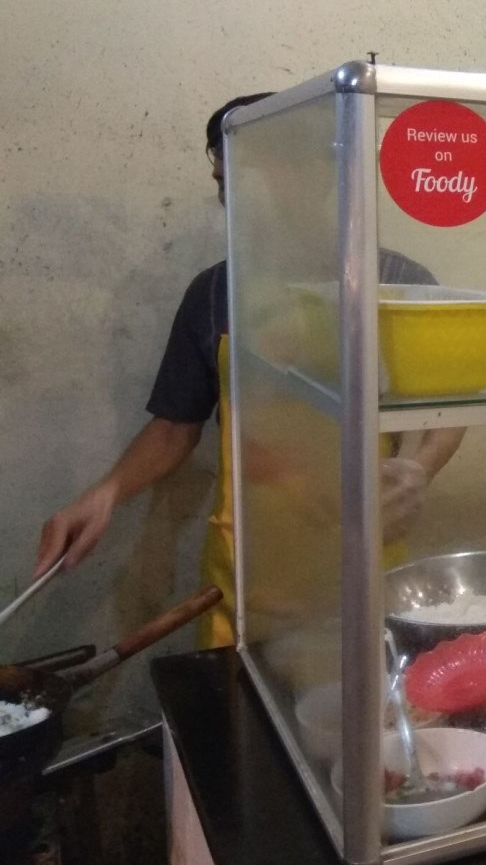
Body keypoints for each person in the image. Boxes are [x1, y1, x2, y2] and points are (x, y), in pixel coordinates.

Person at [34, 93, 464, 646]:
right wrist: (106, 493)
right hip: (242, 578)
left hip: (361, 560)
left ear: (323, 169)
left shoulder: (396, 282)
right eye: (223, 181)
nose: (234, 197)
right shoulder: (215, 291)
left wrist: (418, 468)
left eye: (253, 174)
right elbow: (175, 427)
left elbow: (447, 405)